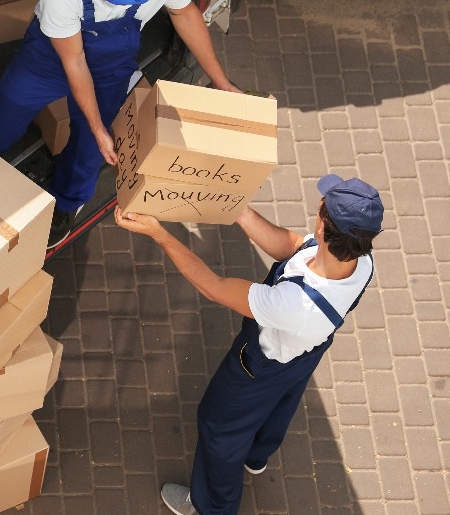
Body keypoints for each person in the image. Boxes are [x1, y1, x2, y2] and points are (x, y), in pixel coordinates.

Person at [114, 174, 383, 515]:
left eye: (322, 207)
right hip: (302, 354)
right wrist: (238, 210)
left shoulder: (292, 304)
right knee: (280, 404)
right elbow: (293, 247)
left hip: (258, 368)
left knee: (218, 427)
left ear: (325, 226)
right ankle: (257, 455)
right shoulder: (360, 260)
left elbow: (214, 286)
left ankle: (213, 506)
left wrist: (160, 234)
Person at [0, 0, 241, 249]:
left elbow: (185, 14)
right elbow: (75, 62)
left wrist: (221, 81)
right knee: (4, 114)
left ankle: (66, 205)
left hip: (110, 66)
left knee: (90, 149)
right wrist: (99, 124)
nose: (121, 1)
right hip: (52, 56)